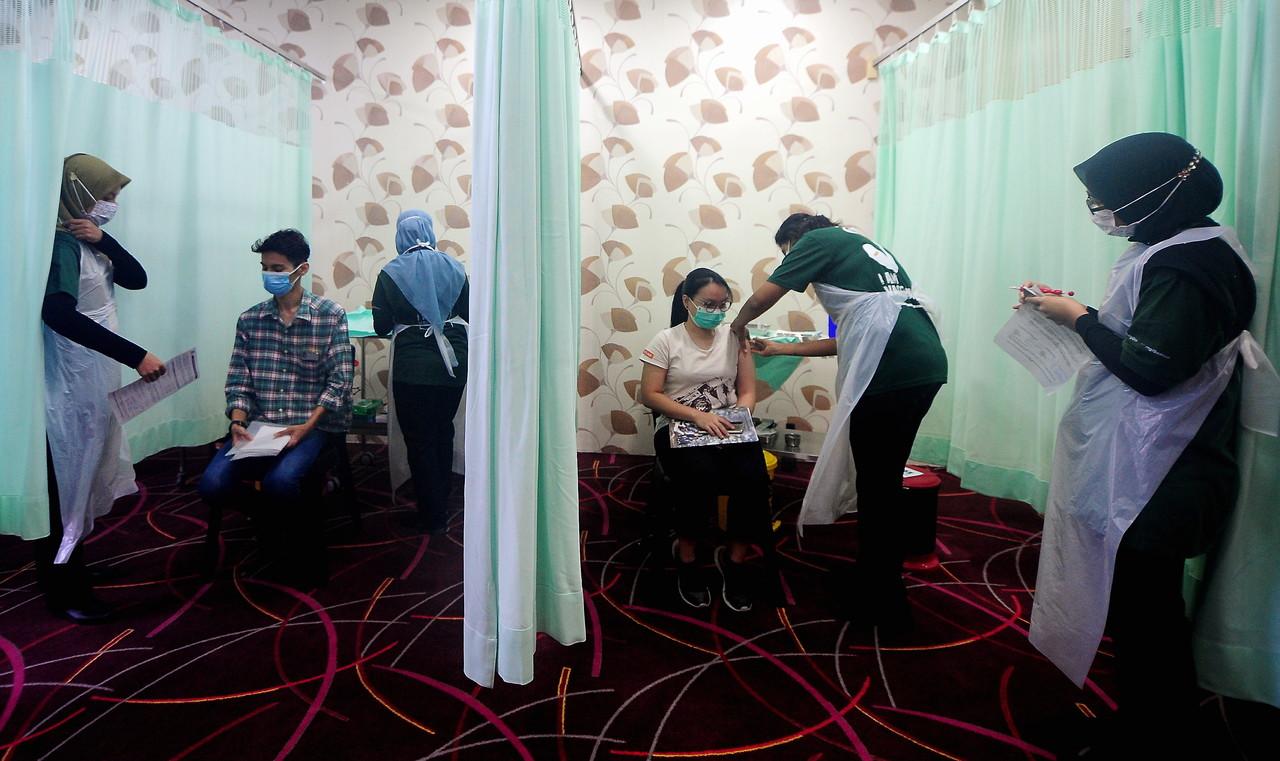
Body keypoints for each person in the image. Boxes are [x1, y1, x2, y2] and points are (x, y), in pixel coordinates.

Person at [1022, 133, 1275, 758]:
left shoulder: (1189, 263)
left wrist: (1077, 319)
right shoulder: (1186, 246)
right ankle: (1150, 725)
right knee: (1144, 614)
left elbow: (1153, 367)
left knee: (1148, 619)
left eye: (1102, 200)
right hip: (1159, 464)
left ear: (1155, 196)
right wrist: (1077, 308)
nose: (1098, 211)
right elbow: (1153, 336)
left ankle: (1155, 736)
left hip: (1164, 473)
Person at [730, 215, 947, 631]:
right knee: (881, 481)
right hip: (924, 362)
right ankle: (876, 579)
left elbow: (762, 298)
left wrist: (737, 327)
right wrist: (782, 349)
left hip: (891, 372)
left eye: (788, 253)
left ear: (796, 240)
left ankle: (882, 601)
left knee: (877, 486)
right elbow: (846, 338)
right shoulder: (862, 248)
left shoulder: (817, 241)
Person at [39, 154, 166, 623]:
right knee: (69, 478)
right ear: (78, 194)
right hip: (71, 377)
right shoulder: (62, 247)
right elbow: (58, 314)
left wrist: (105, 237)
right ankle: (64, 591)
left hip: (95, 375)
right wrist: (135, 354)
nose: (111, 204)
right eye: (106, 196)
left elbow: (137, 278)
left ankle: (76, 568)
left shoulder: (87, 241)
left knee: (88, 469)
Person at [197, 229, 354, 583]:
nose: (270, 274)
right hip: (262, 425)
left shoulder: (329, 316)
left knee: (281, 481)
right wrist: (237, 421)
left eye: (278, 268)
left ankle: (295, 549)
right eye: (265, 267)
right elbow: (239, 380)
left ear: (301, 270)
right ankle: (272, 525)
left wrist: (308, 426)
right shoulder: (251, 320)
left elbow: (340, 382)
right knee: (211, 484)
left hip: (309, 424)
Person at [639, 268, 772, 612]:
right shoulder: (666, 341)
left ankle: (735, 559)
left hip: (727, 426)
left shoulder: (735, 336)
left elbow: (746, 391)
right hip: (681, 425)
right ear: (687, 302)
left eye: (723, 304)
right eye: (708, 304)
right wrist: (698, 416)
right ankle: (687, 557)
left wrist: (737, 418)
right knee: (699, 479)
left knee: (754, 478)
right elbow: (650, 395)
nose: (716, 310)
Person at [372, 211, 468, 534]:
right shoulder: (456, 267)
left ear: (400, 236)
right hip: (454, 363)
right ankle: (444, 491)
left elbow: (381, 325)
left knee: (420, 440)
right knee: (443, 427)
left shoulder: (389, 273)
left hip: (412, 368)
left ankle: (433, 516)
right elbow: (469, 312)